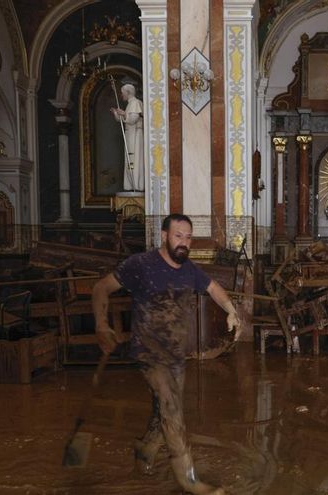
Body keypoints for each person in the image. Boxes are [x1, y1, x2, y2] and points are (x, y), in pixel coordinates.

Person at [92, 213, 239, 495]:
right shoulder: (141, 264)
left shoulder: (189, 270)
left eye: (188, 237)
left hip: (175, 357)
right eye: (177, 236)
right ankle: (190, 481)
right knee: (172, 409)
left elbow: (213, 288)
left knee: (163, 414)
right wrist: (101, 324)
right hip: (149, 353)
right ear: (163, 236)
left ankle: (144, 453)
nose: (184, 242)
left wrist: (230, 309)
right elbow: (102, 288)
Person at [110, 83, 144, 191]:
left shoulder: (136, 103)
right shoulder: (130, 104)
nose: (121, 95)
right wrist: (117, 113)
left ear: (128, 93)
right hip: (129, 134)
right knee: (129, 159)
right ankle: (130, 184)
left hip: (135, 135)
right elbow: (123, 120)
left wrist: (124, 114)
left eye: (122, 93)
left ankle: (137, 185)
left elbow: (133, 119)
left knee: (134, 158)